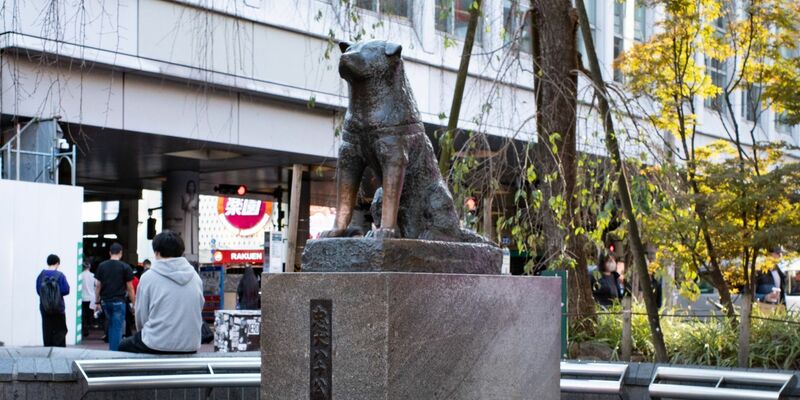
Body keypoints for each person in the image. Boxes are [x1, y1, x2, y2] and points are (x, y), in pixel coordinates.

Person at [119, 230, 204, 354]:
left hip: (157, 343)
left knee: (123, 346)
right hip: (190, 344)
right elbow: (199, 307)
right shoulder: (195, 277)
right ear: (181, 251)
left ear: (157, 252)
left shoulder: (148, 277)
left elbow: (141, 316)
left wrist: (145, 332)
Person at [95, 243, 135, 351]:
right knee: (117, 327)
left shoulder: (102, 266)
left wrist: (97, 302)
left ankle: (112, 350)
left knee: (111, 325)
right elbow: (130, 287)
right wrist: (134, 303)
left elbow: (98, 285)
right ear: (121, 253)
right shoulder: (125, 267)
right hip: (118, 301)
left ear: (110, 253)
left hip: (105, 302)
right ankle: (114, 352)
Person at [36, 254, 70, 347]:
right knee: (60, 329)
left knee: (47, 329)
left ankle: (48, 349)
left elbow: (39, 291)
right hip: (58, 308)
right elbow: (66, 290)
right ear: (57, 263)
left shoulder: (41, 275)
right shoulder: (60, 275)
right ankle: (59, 349)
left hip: (45, 307)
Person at [79, 262, 96, 338]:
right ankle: (89, 326)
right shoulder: (93, 276)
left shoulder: (80, 275)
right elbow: (97, 285)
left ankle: (84, 327)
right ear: (90, 267)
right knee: (90, 314)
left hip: (82, 297)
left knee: (83, 314)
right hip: (91, 297)